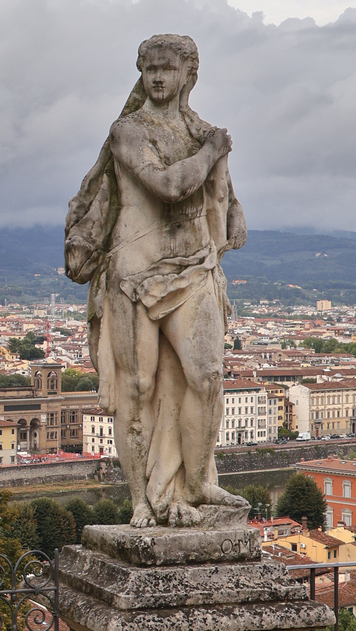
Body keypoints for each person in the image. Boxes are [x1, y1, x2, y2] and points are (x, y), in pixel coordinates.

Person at [65, 33, 248, 528]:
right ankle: (143, 499)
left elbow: (230, 214)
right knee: (138, 387)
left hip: (193, 272)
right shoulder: (128, 131)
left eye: (168, 69)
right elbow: (169, 187)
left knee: (206, 376)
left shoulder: (205, 133)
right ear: (142, 74)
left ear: (189, 74)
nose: (159, 78)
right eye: (150, 70)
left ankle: (193, 485)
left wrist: (231, 208)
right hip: (132, 276)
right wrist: (212, 153)